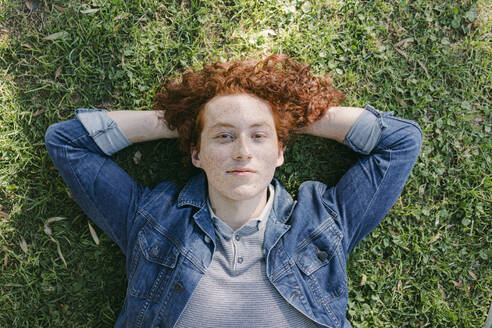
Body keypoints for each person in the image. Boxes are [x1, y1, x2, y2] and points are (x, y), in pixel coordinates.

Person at [45, 54, 422, 328]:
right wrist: (179, 121)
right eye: (224, 136)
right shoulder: (154, 219)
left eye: (258, 136)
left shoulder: (323, 221)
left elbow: (402, 141)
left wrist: (293, 117)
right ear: (196, 152)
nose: (242, 151)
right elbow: (66, 143)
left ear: (279, 152)